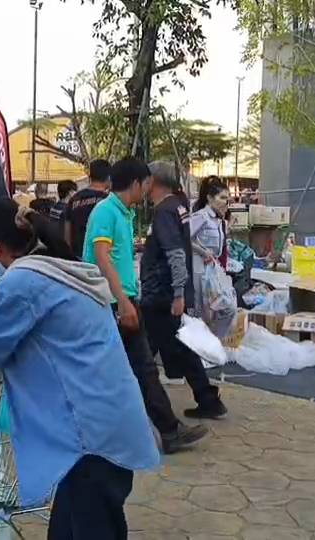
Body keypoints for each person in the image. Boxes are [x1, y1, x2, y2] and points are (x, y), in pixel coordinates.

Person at [0, 198, 160, 539]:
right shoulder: (61, 267)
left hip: (89, 434)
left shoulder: (23, 281)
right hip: (109, 419)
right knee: (73, 523)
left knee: (92, 523)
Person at [83, 157, 209, 454]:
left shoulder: (122, 213)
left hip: (122, 300)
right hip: (110, 302)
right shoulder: (106, 212)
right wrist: (123, 302)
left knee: (138, 369)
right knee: (137, 369)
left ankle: (165, 429)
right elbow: (101, 258)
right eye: (146, 184)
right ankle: (165, 430)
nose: (147, 191)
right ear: (136, 183)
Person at [141, 162, 227, 419]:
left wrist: (178, 293)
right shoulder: (177, 207)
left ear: (153, 181)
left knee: (143, 352)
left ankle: (147, 409)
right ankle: (207, 399)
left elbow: (176, 253)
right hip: (167, 292)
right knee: (178, 347)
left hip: (161, 293)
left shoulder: (165, 211)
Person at [63, 159, 110, 259]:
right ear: (108, 178)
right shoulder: (109, 202)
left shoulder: (74, 199)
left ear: (90, 177)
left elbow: (67, 233)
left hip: (77, 258)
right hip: (101, 259)